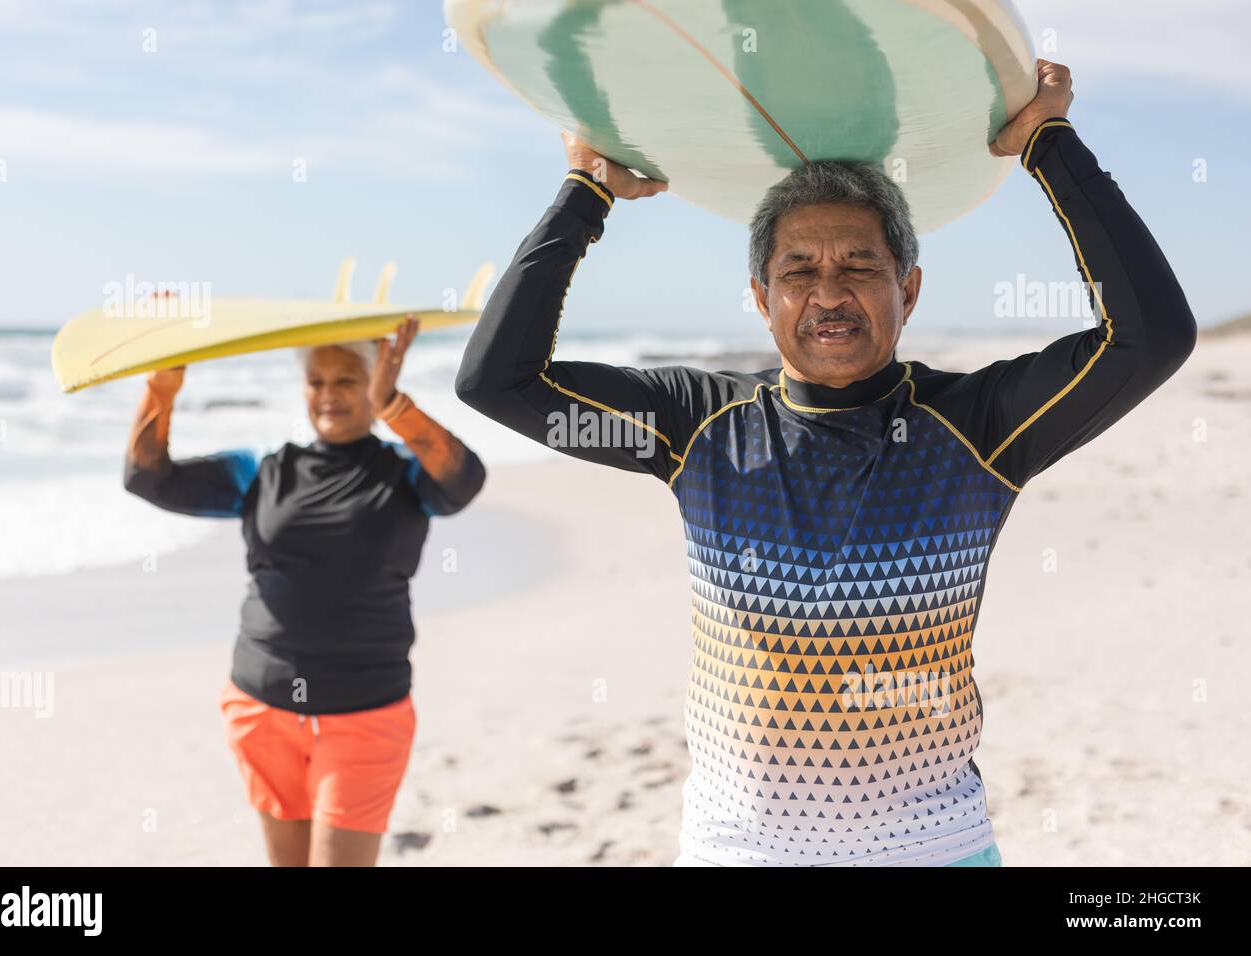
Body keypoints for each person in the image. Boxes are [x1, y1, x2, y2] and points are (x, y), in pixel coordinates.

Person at [456, 60, 1196, 866]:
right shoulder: (693, 425)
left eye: (859, 267)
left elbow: (1150, 336)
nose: (828, 293)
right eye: (798, 271)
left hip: (932, 849)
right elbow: (498, 381)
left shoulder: (980, 427)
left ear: (907, 290)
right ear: (761, 295)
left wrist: (1046, 143)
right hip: (735, 850)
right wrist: (584, 193)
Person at [125, 318, 486, 866]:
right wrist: (163, 386)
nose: (328, 395)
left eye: (346, 380)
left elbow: (464, 481)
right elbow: (149, 479)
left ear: (373, 382)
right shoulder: (264, 471)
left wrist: (395, 407)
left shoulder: (407, 475)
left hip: (365, 714)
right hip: (262, 707)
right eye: (316, 381)